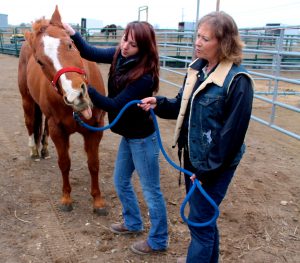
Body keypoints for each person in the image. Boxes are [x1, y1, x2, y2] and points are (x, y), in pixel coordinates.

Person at [139, 11, 254, 263]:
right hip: (194, 158)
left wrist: (207, 171)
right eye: (198, 36)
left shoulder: (238, 81)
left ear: (223, 43)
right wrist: (158, 103)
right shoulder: (198, 70)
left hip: (215, 165)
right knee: (204, 218)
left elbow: (231, 136)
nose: (198, 42)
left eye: (205, 38)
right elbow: (181, 105)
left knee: (200, 221)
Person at [63, 21, 168, 255]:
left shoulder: (145, 77)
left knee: (151, 190)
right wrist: (73, 34)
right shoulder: (118, 55)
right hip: (128, 136)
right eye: (124, 39)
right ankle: (133, 223)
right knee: (120, 181)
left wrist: (86, 88)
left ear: (143, 48)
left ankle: (159, 240)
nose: (125, 46)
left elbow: (114, 105)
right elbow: (90, 52)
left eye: (132, 44)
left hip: (142, 139)